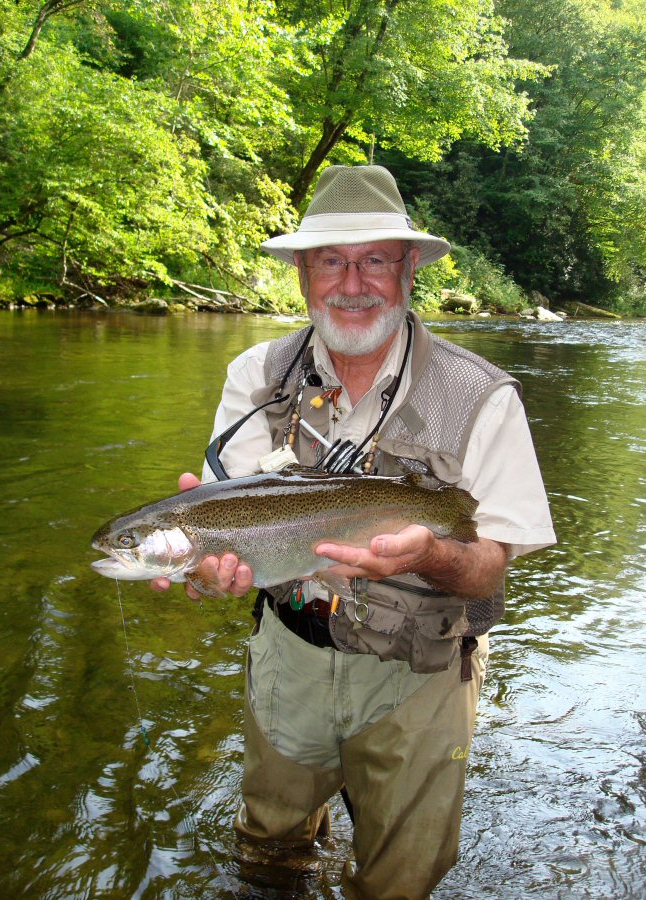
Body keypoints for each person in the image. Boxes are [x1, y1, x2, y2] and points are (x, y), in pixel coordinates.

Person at [152, 165, 556, 898]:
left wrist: (431, 552)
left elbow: (488, 569)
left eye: (375, 259)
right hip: (289, 654)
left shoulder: (480, 396)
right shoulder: (257, 375)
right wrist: (211, 572)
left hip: (420, 672)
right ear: (303, 274)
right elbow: (234, 530)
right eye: (330, 261)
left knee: (399, 880)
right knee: (268, 848)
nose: (352, 282)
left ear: (408, 271)